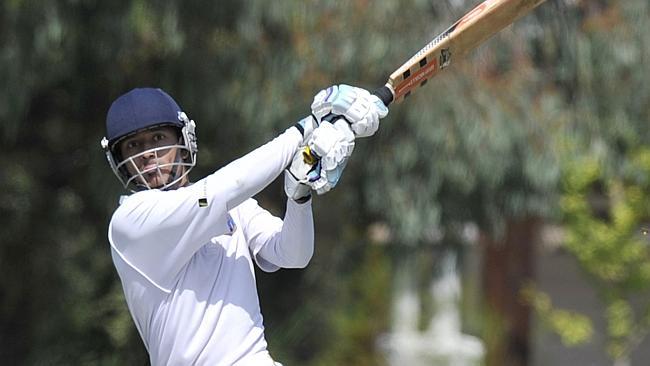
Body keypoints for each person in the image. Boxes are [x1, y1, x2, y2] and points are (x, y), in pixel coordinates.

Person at [100, 85, 388, 365]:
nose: (148, 153)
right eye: (134, 145)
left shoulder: (231, 205)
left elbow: (294, 255)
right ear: (120, 160)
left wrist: (298, 194)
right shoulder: (130, 222)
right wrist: (307, 127)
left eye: (158, 138)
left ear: (184, 143)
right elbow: (227, 187)